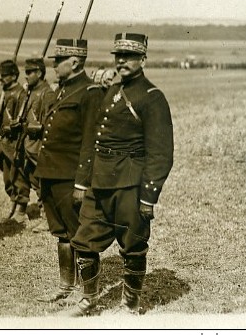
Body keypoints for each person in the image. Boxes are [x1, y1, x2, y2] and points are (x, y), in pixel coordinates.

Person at [70, 33, 174, 316]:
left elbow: (161, 153)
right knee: (84, 240)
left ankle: (130, 305)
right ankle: (88, 299)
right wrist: (84, 180)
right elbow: (94, 138)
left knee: (133, 245)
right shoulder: (110, 92)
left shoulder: (152, 97)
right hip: (101, 181)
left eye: (129, 56)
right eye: (118, 56)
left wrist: (149, 196)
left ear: (143, 59)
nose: (122, 61)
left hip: (130, 183)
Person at [34, 39, 104, 303]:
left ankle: (88, 293)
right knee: (62, 232)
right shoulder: (62, 91)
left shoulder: (89, 92)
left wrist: (81, 184)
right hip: (51, 174)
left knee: (80, 235)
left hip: (70, 176)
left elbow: (89, 142)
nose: (53, 65)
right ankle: (66, 286)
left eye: (58, 60)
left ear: (74, 63)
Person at [17, 57, 57, 229]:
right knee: (34, 181)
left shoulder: (46, 93)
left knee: (44, 182)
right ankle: (44, 213)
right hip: (29, 145)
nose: (26, 76)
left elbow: (49, 123)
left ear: (39, 73)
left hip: (39, 145)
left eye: (29, 72)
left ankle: (49, 218)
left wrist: (32, 128)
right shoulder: (31, 92)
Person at [0, 60, 28, 222]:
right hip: (5, 142)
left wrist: (13, 128)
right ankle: (14, 203)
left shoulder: (22, 94)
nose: (1, 79)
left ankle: (21, 209)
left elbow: (25, 121)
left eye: (5, 76)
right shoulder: (3, 94)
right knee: (7, 177)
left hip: (17, 141)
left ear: (14, 76)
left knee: (18, 174)